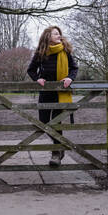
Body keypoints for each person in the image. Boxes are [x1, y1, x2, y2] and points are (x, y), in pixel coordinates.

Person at [27, 26, 78, 166]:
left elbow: (74, 68)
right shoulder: (41, 52)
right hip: (45, 93)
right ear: (47, 36)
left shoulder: (65, 51)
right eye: (55, 33)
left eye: (59, 34)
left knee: (56, 122)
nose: (59, 36)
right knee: (43, 122)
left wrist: (69, 78)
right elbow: (31, 70)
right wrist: (37, 78)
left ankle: (56, 153)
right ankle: (60, 145)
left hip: (60, 93)